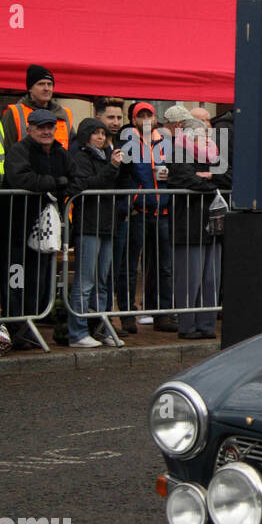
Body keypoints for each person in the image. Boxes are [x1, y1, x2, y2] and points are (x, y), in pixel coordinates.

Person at [2, 109, 70, 348]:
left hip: (44, 233)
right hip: (16, 229)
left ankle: (30, 328)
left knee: (38, 283)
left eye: (50, 126)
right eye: (41, 127)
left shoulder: (60, 152)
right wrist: (54, 183)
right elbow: (22, 179)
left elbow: (72, 178)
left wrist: (62, 185)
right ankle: (16, 329)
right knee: (16, 282)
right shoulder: (19, 151)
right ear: (30, 128)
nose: (46, 131)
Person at [168, 119, 231, 340]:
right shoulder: (178, 154)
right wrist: (211, 182)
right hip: (188, 227)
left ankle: (207, 325)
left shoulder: (213, 155)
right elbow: (188, 180)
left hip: (213, 228)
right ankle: (187, 326)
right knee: (189, 280)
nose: (203, 137)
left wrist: (211, 176)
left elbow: (229, 177)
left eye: (205, 133)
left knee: (211, 280)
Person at [116, 102, 174, 332]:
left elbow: (175, 172)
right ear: (133, 120)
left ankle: (162, 313)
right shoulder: (126, 144)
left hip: (162, 212)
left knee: (163, 267)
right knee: (130, 266)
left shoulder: (166, 144)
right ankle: (127, 314)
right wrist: (132, 199)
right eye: (141, 115)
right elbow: (123, 176)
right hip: (137, 212)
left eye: (149, 114)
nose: (146, 119)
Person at [66, 119, 122, 347]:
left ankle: (99, 327)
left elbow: (118, 183)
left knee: (102, 281)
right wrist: (112, 167)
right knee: (85, 281)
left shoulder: (106, 156)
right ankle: (77, 332)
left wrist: (121, 166)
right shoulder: (81, 158)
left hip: (107, 224)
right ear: (86, 136)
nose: (100, 137)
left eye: (102, 134)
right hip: (89, 224)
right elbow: (90, 184)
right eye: (95, 133)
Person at [1, 65, 76, 150]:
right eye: (41, 84)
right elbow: (6, 148)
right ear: (30, 89)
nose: (46, 88)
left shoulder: (65, 114)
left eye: (50, 84)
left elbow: (73, 149)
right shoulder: (15, 112)